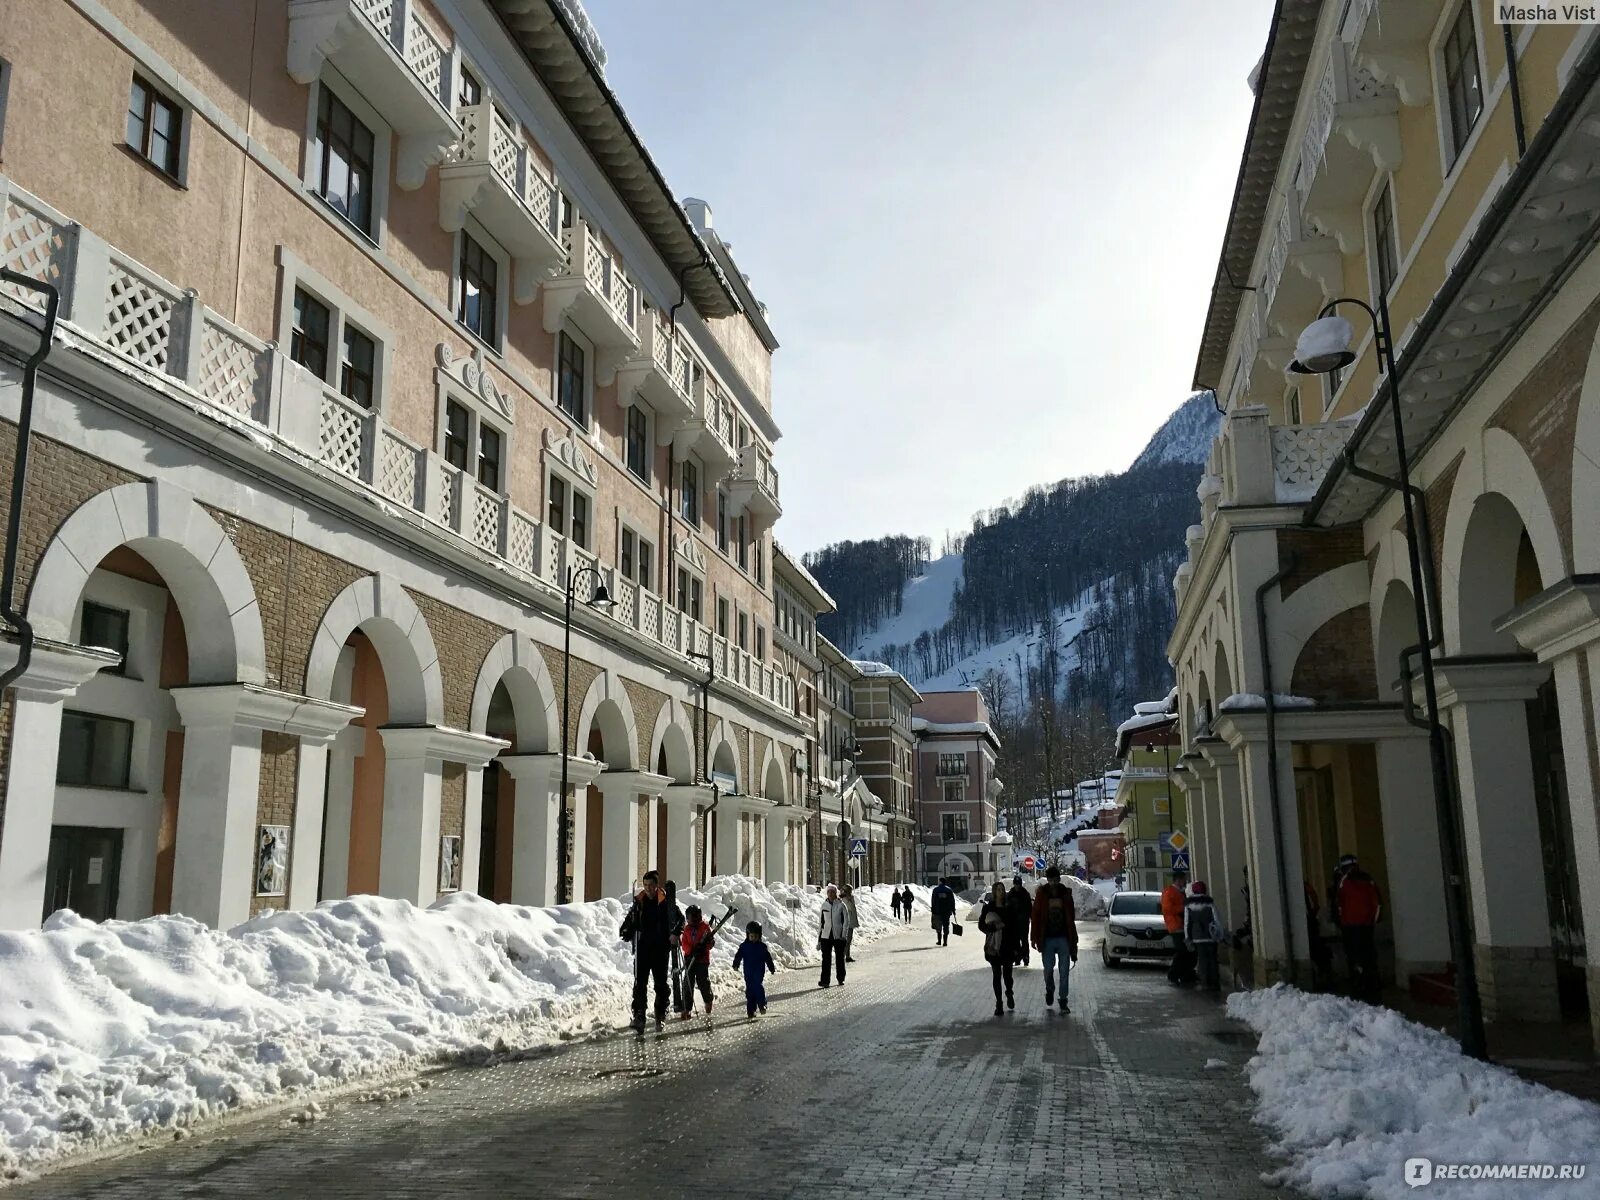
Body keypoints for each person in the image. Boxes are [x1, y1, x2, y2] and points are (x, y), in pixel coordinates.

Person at [619, 870, 673, 1032]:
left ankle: (660, 1014)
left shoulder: (666, 903)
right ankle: (639, 1015)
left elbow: (679, 921)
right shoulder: (639, 903)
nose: (648, 888)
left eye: (651, 885)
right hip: (643, 949)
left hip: (660, 950)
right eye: (645, 885)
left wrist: (675, 934)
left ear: (656, 886)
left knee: (660, 984)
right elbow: (630, 922)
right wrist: (626, 930)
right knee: (640, 984)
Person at [1333, 855, 1383, 1003]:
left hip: (1350, 926)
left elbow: (1338, 903)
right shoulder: (1368, 879)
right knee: (1369, 956)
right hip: (1367, 926)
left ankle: (1358, 987)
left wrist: (1339, 921)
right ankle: (1372, 988)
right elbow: (1377, 902)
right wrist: (1373, 921)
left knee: (1354, 957)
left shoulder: (1343, 881)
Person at [1030, 866, 1079, 1012]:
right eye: (1050, 880)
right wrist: (1034, 937)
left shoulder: (1065, 894)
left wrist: (1073, 941)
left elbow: (1071, 918)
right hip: (1048, 939)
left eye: (1055, 879)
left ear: (1059, 879)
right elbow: (1036, 916)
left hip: (1064, 937)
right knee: (1048, 970)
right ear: (1047, 879)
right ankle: (1050, 989)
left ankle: (1063, 1000)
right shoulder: (1042, 894)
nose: (1053, 883)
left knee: (1064, 971)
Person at [980, 883, 1018, 1016]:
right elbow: (981, 925)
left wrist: (1017, 946)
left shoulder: (1010, 907)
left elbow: (1015, 927)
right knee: (996, 975)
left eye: (1002, 890)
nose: (1001, 892)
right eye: (998, 890)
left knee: (1008, 975)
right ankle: (999, 1003)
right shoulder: (988, 907)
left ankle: (1009, 992)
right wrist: (994, 928)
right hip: (994, 946)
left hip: (1008, 945)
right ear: (994, 892)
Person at [732, 920, 777, 1018]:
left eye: (756, 937)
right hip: (748, 972)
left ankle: (762, 1005)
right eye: (752, 936)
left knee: (757, 986)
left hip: (758, 971)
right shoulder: (744, 947)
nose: (753, 939)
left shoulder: (762, 947)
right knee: (749, 990)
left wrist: (771, 967)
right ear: (748, 935)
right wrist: (736, 964)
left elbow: (768, 958)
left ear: (759, 936)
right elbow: (738, 956)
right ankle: (751, 1010)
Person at [1185, 880, 1223, 991]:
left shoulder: (1188, 906)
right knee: (1212, 958)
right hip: (1210, 936)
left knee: (1202, 959)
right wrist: (1220, 935)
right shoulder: (1210, 903)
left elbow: (1187, 923)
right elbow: (1217, 920)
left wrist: (1188, 938)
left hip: (1197, 937)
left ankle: (1204, 980)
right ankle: (1214, 981)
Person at [678, 903, 715, 1018]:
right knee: (688, 983)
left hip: (702, 960)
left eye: (690, 917)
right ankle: (686, 1008)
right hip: (690, 958)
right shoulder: (687, 929)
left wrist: (704, 947)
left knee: (702, 981)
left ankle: (708, 1000)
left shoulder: (705, 927)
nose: (689, 920)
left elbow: (710, 943)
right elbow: (684, 944)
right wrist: (690, 950)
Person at [1162, 870, 1196, 985]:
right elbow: (1168, 909)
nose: (1185, 882)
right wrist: (1184, 907)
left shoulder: (1180, 892)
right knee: (1182, 951)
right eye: (1183, 880)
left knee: (1187, 951)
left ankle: (1186, 974)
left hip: (1182, 926)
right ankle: (1174, 974)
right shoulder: (1169, 892)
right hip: (1176, 926)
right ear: (1178, 880)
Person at [818, 884, 853, 987]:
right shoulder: (824, 905)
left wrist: (843, 935)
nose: (830, 894)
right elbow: (821, 922)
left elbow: (846, 921)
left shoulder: (841, 905)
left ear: (835, 893)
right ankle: (825, 981)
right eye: (829, 892)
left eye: (832, 892)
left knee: (840, 959)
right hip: (826, 936)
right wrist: (819, 939)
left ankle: (840, 978)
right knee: (826, 959)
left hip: (838, 936)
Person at [1304, 878, 1333, 991]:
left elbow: (1314, 905)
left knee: (1315, 951)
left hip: (1308, 924)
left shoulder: (1304, 888)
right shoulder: (1306, 887)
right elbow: (1315, 904)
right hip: (1311, 923)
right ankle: (1323, 975)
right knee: (1318, 951)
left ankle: (1321, 976)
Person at [665, 879, 687, 1015]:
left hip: (672, 942)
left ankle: (678, 1000)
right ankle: (667, 1002)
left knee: (675, 970)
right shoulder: (661, 904)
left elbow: (681, 920)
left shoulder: (674, 907)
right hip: (662, 942)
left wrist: (676, 933)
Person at [1005, 877, 1033, 967]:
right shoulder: (1010, 894)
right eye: (1016, 884)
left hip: (1024, 922)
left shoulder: (1025, 894)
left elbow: (1029, 908)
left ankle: (1026, 958)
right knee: (1015, 941)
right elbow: (1007, 907)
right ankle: (1017, 958)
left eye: (1018, 884)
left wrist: (1030, 917)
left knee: (1024, 940)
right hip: (1013, 922)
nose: (1017, 885)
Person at [930, 877, 956, 946]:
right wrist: (953, 910)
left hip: (938, 911)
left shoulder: (935, 890)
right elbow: (952, 901)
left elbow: (933, 900)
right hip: (946, 911)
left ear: (940, 882)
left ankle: (939, 941)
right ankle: (945, 942)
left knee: (939, 926)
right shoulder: (949, 890)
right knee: (946, 926)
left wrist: (933, 909)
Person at [841, 884, 860, 962]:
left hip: (851, 922)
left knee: (849, 940)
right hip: (847, 922)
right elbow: (851, 908)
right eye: (850, 891)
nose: (851, 892)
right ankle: (843, 956)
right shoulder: (844, 899)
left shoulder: (850, 898)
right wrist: (849, 899)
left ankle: (847, 956)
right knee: (847, 940)